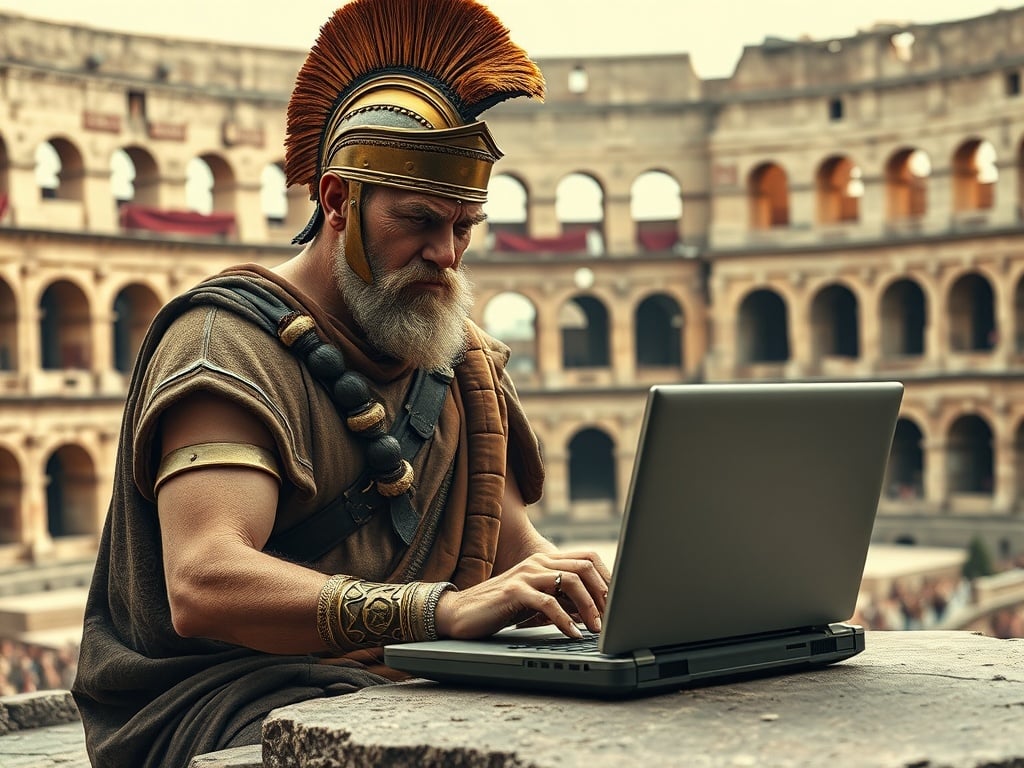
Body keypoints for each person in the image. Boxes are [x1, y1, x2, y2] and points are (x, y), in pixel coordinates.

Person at [70, 0, 611, 765]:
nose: (446, 254)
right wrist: (437, 614)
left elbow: (511, 555)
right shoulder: (225, 345)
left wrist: (598, 603)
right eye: (420, 221)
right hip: (225, 702)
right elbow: (205, 582)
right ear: (335, 201)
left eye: (463, 227)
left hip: (401, 681)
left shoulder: (460, 359)